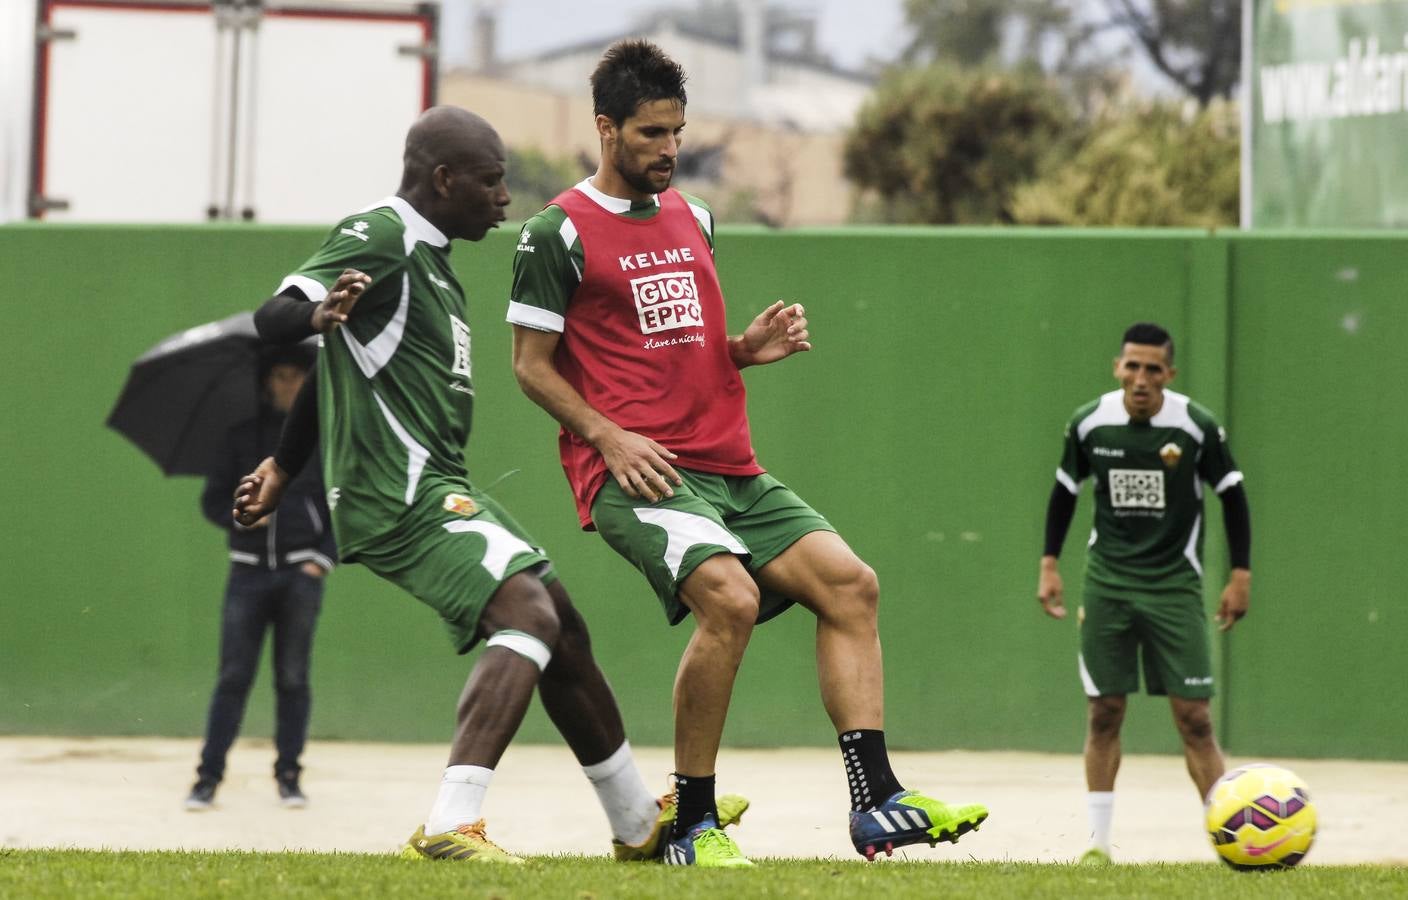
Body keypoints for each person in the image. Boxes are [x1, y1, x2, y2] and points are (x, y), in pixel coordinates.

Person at [507, 39, 989, 867]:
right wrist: (607, 436)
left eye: (677, 131)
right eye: (652, 132)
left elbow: (664, 348)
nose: (669, 148)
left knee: (851, 584)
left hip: (730, 466)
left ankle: (876, 802)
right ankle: (694, 824)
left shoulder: (695, 216)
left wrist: (739, 350)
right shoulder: (554, 233)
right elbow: (530, 367)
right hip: (637, 472)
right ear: (606, 127)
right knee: (727, 601)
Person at [232, 106, 745, 863]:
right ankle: (450, 820)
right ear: (443, 180)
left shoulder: (430, 262)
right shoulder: (384, 233)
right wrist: (313, 311)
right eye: (491, 181)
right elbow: (273, 317)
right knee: (528, 617)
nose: (505, 199)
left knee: (561, 624)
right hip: (399, 496)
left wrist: (282, 464)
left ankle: (637, 821)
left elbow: (338, 365)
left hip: (436, 485)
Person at [1036, 322, 1252, 865]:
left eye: (1153, 369)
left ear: (1169, 375)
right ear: (1118, 367)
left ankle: (1235, 844)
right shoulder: (1090, 424)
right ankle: (1098, 846)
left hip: (1174, 586)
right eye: (1131, 366)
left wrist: (1240, 575)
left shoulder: (1196, 428)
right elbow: (1064, 493)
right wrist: (1049, 565)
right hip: (1108, 581)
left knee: (1196, 719)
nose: (1140, 379)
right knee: (1104, 711)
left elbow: (1234, 496)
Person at [186, 346, 334, 812]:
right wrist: (242, 518)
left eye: (298, 377)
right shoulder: (240, 439)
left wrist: (320, 561)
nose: (289, 385)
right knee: (232, 677)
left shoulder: (320, 441)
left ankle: (289, 777)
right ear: (268, 382)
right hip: (246, 577)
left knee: (292, 678)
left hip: (300, 576)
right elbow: (212, 502)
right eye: (282, 377)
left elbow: (340, 505)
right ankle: (207, 779)